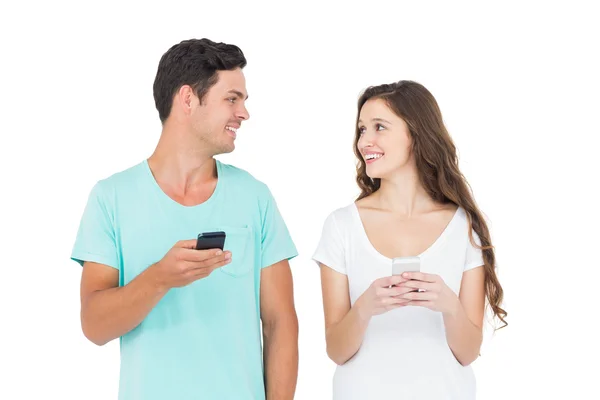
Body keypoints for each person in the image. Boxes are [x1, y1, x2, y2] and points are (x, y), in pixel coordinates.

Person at [71, 38, 299, 400]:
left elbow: (280, 324)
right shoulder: (111, 198)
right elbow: (94, 326)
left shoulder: (255, 197)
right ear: (188, 98)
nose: (244, 113)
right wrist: (159, 278)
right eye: (231, 98)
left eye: (243, 100)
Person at [312, 80, 507, 399]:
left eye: (379, 127)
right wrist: (364, 308)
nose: (365, 141)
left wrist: (449, 306)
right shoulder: (341, 226)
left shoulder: (463, 227)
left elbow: (468, 353)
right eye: (362, 129)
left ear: (416, 134)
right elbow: (336, 350)